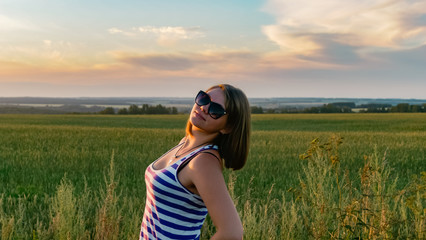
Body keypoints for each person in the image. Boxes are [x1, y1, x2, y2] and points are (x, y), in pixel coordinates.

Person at [140, 84, 251, 240]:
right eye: (203, 99)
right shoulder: (184, 144)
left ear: (228, 127)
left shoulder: (202, 162)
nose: (204, 108)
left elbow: (232, 232)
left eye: (215, 110)